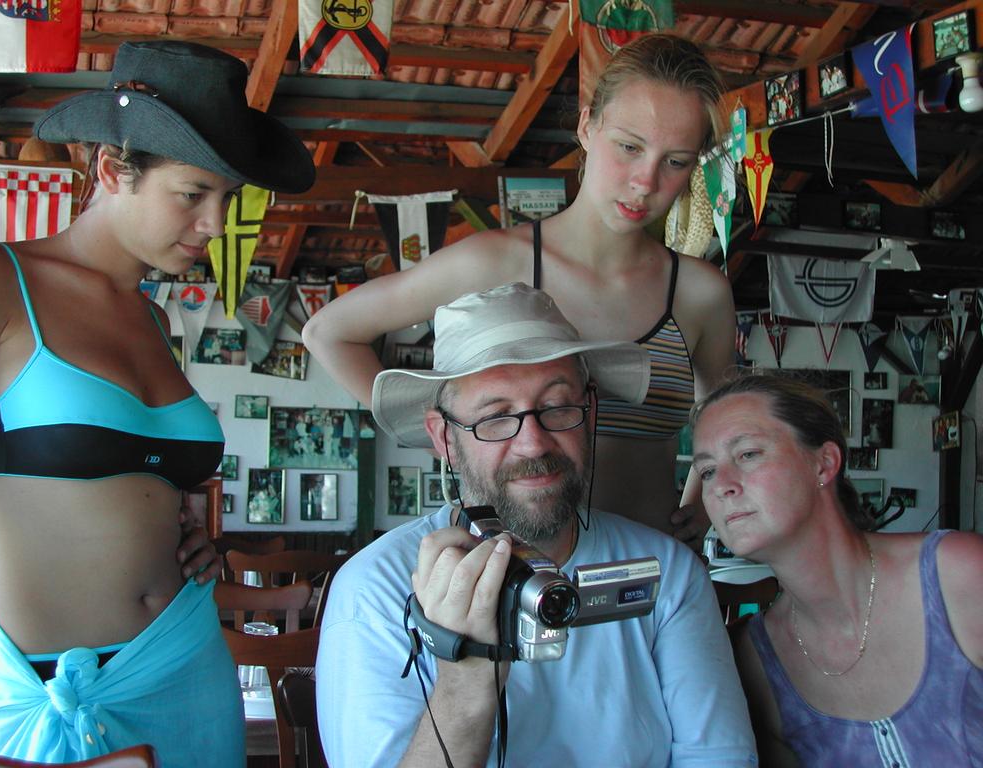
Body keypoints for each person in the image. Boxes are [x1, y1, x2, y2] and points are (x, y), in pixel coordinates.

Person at [0, 41, 313, 764]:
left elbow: (141, 484)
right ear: (113, 169)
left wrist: (192, 542)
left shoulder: (155, 321)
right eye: (192, 194)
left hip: (187, 660)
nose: (215, 225)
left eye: (228, 199)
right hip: (54, 682)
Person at [302, 34, 737, 549]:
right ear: (586, 127)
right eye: (629, 146)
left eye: (676, 160)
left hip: (648, 581)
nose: (645, 180)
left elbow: (725, 418)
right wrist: (448, 439)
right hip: (506, 580)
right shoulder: (493, 263)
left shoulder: (700, 293)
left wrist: (706, 499)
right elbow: (327, 332)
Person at [315, 283, 756, 767]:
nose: (533, 444)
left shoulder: (666, 572)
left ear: (588, 414)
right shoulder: (374, 591)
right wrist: (465, 680)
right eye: (496, 417)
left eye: (557, 407)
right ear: (443, 438)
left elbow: (720, 757)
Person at [691, 374, 983, 766]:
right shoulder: (757, 660)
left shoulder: (957, 575)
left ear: (824, 463)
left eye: (748, 454)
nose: (721, 485)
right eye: (707, 471)